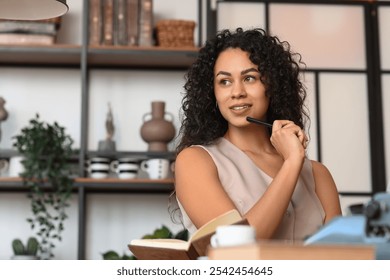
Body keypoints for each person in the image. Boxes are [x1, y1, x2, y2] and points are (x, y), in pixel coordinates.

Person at [173, 27, 342, 241]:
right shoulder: (196, 161)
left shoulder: (319, 176)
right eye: (224, 81)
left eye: (250, 78)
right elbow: (237, 249)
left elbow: (341, 260)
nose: (237, 92)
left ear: (272, 85)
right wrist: (291, 163)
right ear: (212, 93)